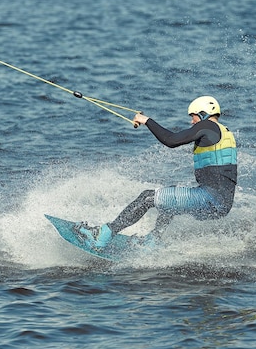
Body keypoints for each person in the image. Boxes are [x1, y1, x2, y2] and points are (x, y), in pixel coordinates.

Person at [76, 95, 237, 250]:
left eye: (193, 116)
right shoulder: (224, 131)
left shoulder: (207, 126)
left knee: (147, 197)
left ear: (203, 114)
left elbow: (171, 140)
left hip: (209, 199)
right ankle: (153, 240)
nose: (191, 121)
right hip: (222, 205)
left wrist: (147, 121)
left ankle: (102, 236)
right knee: (170, 197)